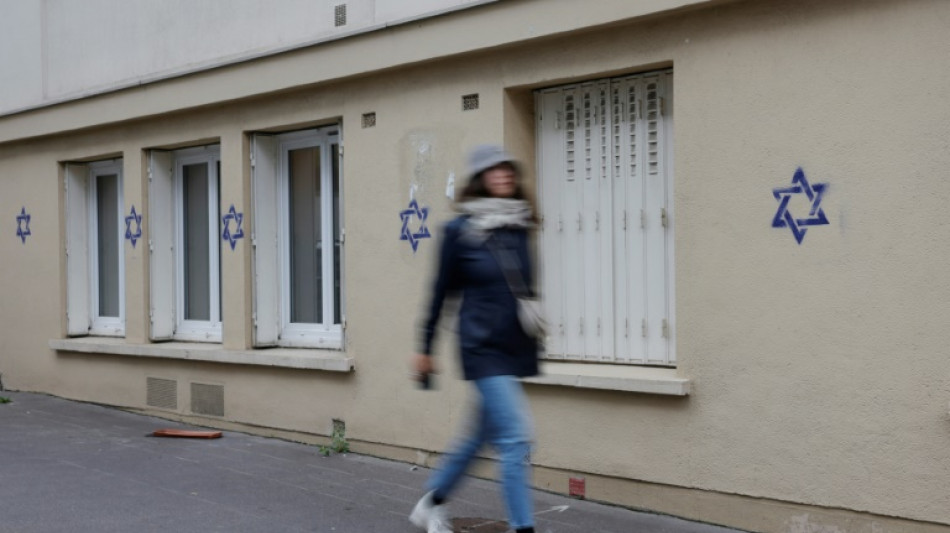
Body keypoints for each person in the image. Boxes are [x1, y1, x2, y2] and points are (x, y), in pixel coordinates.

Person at [409, 144, 540, 533]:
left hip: (513, 348)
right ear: (480, 178)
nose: (503, 176)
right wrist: (424, 346)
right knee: (516, 439)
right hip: (480, 348)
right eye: (494, 171)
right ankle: (524, 528)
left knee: (478, 437)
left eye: (508, 170)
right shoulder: (459, 231)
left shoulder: (518, 227)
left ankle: (431, 503)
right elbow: (440, 292)